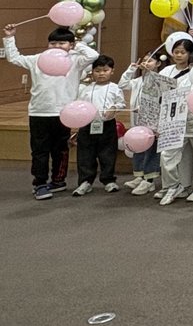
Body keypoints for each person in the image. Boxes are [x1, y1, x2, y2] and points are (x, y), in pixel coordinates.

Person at [3, 23, 100, 199]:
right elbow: (14, 58)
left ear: (70, 45)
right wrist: (10, 37)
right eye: (53, 43)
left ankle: (58, 181)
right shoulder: (38, 59)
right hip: (39, 112)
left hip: (64, 113)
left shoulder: (75, 60)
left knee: (60, 149)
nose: (56, 46)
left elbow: (93, 55)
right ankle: (40, 184)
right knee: (39, 151)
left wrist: (76, 45)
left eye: (62, 43)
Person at [157, 38, 193, 205]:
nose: (179, 55)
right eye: (176, 52)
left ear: (189, 54)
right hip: (173, 121)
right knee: (168, 156)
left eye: (182, 52)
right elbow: (157, 92)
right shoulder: (166, 71)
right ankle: (174, 186)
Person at [71, 54, 125, 195]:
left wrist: (114, 108)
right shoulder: (85, 89)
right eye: (98, 71)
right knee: (85, 154)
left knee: (108, 153)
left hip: (107, 125)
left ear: (112, 71)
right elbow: (78, 105)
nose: (101, 74)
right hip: (87, 125)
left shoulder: (115, 88)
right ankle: (85, 181)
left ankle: (108, 180)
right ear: (92, 72)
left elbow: (121, 103)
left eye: (105, 70)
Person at [119, 56, 160, 195]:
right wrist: (131, 69)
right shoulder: (137, 81)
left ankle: (149, 181)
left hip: (152, 122)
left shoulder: (158, 81)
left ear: (158, 64)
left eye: (150, 61)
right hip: (137, 122)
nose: (146, 63)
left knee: (151, 150)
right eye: (145, 60)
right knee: (138, 148)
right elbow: (122, 84)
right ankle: (140, 176)